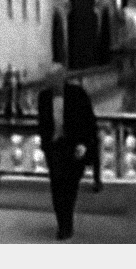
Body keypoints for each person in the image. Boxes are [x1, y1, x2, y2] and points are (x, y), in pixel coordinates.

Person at [36, 64, 99, 240]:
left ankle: (67, 223)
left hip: (74, 147)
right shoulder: (43, 97)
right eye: (47, 78)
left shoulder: (77, 94)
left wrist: (85, 144)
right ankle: (63, 226)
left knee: (70, 187)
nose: (49, 81)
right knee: (57, 187)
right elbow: (42, 123)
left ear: (62, 77)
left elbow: (89, 121)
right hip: (55, 147)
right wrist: (45, 145)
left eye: (52, 77)